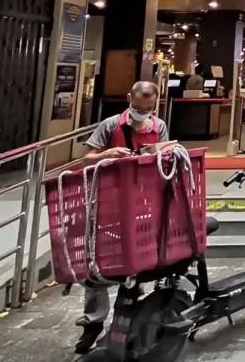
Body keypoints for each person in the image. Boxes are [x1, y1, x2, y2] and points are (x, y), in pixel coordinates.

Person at [75, 81, 170, 354]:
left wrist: (160, 153)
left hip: (142, 201)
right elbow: (86, 159)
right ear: (130, 98)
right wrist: (107, 154)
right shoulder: (110, 125)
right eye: (139, 107)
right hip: (108, 202)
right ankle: (93, 322)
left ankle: (129, 312)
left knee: (136, 260)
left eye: (148, 108)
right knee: (98, 263)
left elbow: (165, 157)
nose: (143, 113)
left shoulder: (159, 126)